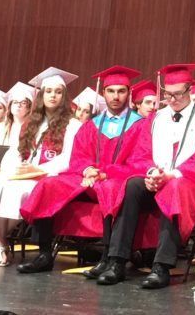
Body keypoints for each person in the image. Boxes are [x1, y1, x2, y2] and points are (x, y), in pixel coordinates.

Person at [96, 63, 195, 290]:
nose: (171, 100)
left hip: (190, 181)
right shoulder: (155, 118)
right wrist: (153, 173)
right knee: (131, 185)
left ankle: (161, 267)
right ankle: (117, 261)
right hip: (156, 177)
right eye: (167, 94)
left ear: (190, 90)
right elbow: (141, 154)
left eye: (177, 94)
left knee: (174, 189)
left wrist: (170, 176)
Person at [17, 65, 146, 276]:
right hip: (86, 177)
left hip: (116, 178)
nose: (116, 96)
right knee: (48, 184)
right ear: (103, 93)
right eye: (111, 91)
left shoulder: (140, 125)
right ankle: (44, 254)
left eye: (121, 91)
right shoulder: (92, 124)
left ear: (128, 94)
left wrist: (105, 173)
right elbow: (78, 156)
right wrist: (87, 169)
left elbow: (141, 161)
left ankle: (107, 258)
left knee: (111, 188)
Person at [0, 67, 81, 267]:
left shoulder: (72, 124)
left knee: (18, 191)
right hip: (24, 174)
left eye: (58, 92)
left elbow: (69, 157)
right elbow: (15, 151)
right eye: (49, 91)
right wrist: (15, 168)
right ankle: (0, 245)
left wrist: (37, 170)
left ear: (64, 96)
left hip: (48, 177)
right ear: (41, 95)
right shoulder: (31, 122)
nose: (53, 96)